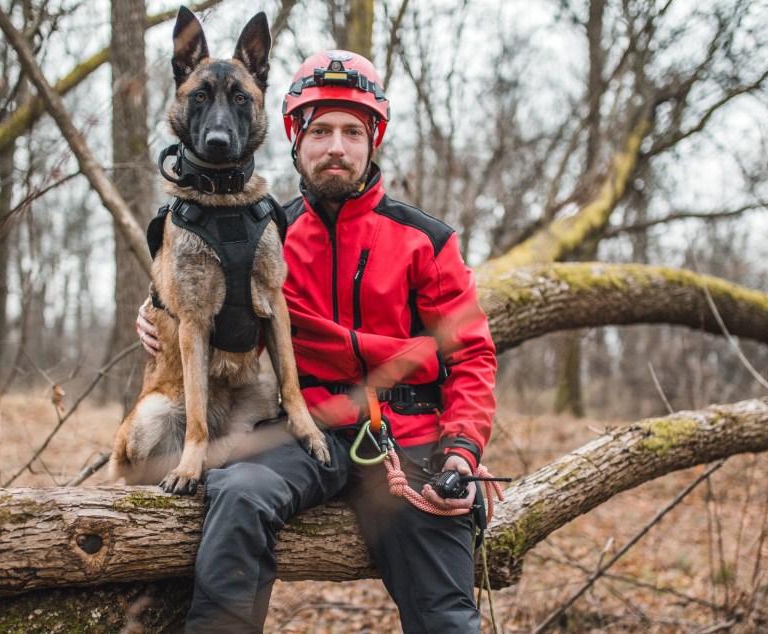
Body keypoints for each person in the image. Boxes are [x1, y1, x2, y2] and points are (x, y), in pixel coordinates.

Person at [136, 49, 497, 633]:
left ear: (373, 138)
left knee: (446, 619)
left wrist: (461, 451)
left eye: (353, 131)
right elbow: (213, 313)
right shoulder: (261, 232)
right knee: (238, 493)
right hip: (305, 432)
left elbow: (473, 355)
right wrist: (157, 311)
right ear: (294, 137)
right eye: (320, 130)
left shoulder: (425, 240)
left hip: (405, 442)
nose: (336, 146)